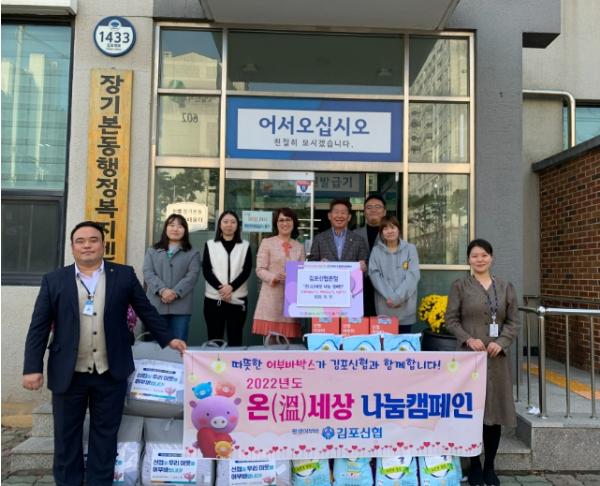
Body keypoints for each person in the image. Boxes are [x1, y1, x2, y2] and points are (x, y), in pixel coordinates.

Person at [22, 221, 187, 486]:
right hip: (68, 373)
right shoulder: (54, 280)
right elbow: (39, 326)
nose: (87, 245)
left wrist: (168, 339)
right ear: (72, 247)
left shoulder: (123, 275)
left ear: (102, 244)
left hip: (111, 371)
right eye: (80, 241)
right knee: (66, 436)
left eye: (93, 240)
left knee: (105, 435)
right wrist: (32, 367)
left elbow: (145, 309)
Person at [444, 238, 520, 486]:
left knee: (493, 412)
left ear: (491, 258)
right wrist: (468, 339)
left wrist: (502, 341)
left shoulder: (506, 287)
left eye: (484, 255)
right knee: (471, 412)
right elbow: (450, 320)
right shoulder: (460, 286)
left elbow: (513, 321)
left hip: (496, 359)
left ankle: (490, 467)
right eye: (475, 255)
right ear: (468, 259)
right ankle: (474, 465)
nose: (480, 259)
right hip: (469, 359)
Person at [143, 214, 201, 341]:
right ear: (165, 228)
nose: (175, 229)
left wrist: (175, 293)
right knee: (154, 345)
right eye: (172, 225)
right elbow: (148, 272)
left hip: (181, 308)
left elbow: (192, 275)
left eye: (180, 226)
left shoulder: (193, 252)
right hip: (156, 305)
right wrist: (162, 290)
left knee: (178, 345)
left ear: (185, 230)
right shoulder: (152, 251)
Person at [253, 208, 306, 339]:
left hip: (291, 300)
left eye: (288, 220)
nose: (285, 223)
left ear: (294, 223)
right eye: (281, 220)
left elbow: (303, 272)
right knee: (271, 342)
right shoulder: (267, 242)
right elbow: (259, 269)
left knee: (287, 344)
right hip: (271, 298)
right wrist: (273, 277)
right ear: (276, 223)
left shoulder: (299, 247)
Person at [202, 211, 252, 346]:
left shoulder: (245, 245)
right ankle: (215, 361)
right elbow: (206, 270)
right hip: (214, 299)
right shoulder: (210, 244)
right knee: (214, 338)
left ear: (237, 226)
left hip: (238, 299)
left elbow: (246, 270)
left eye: (233, 222)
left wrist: (231, 287)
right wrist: (222, 290)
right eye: (225, 221)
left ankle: (234, 361)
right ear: (219, 225)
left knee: (235, 338)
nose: (229, 225)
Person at [368, 216, 420, 333]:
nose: (389, 231)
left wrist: (397, 298)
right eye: (385, 228)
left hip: (405, 306)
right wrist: (391, 298)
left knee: (404, 341)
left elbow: (413, 275)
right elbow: (374, 275)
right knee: (385, 341)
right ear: (381, 233)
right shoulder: (376, 251)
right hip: (385, 305)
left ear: (398, 229)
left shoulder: (410, 249)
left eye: (392, 227)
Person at [308, 199, 369, 270]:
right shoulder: (319, 239)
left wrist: (363, 266)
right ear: (329, 216)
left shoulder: (358, 239)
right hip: (327, 276)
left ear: (349, 217)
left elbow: (365, 264)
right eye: (336, 212)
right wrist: (319, 264)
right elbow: (311, 264)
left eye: (343, 212)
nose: (339, 216)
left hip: (351, 277)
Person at [355, 194, 387, 316]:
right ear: (364, 212)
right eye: (369, 207)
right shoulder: (354, 234)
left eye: (378, 207)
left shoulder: (392, 234)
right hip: (359, 289)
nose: (373, 210)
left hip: (384, 289)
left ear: (384, 211)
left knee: (381, 324)